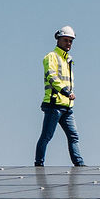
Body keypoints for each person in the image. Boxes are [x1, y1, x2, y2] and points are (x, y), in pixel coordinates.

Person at [35, 26, 85, 167]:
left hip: (67, 107)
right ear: (58, 39)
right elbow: (52, 76)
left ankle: (79, 164)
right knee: (46, 136)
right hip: (54, 105)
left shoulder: (68, 60)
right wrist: (65, 92)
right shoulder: (51, 57)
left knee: (74, 136)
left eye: (70, 41)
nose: (68, 43)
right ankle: (39, 165)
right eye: (65, 40)